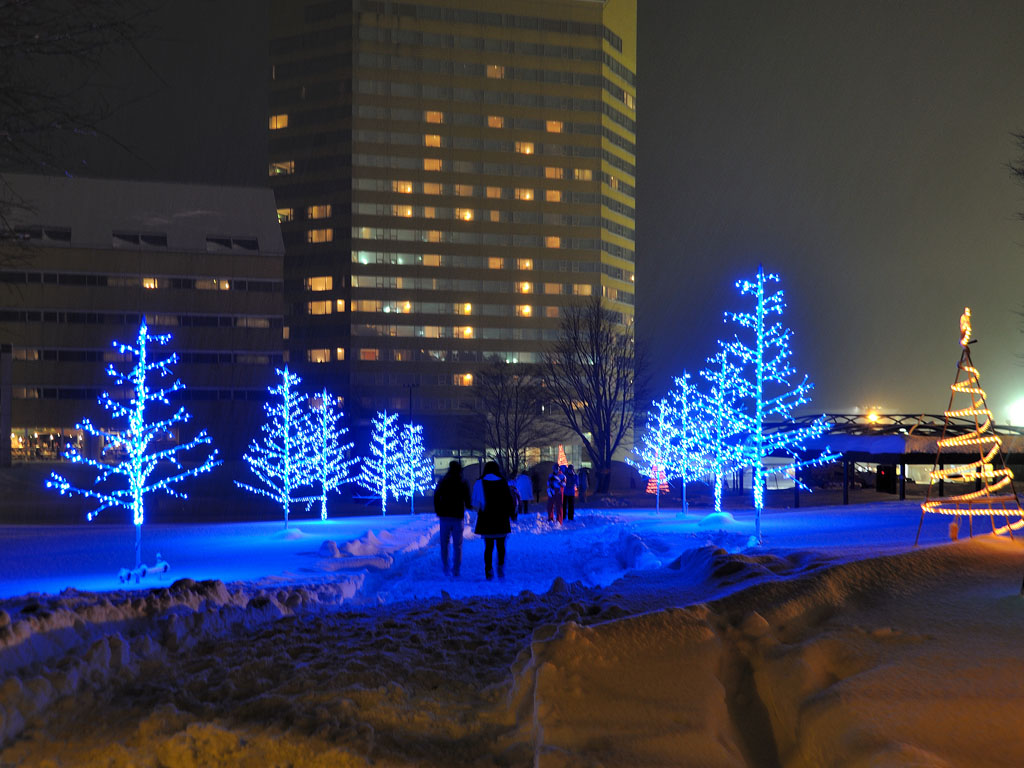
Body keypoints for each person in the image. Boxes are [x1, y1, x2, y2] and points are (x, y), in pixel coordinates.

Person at [472, 460, 515, 580]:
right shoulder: (503, 482)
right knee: (501, 546)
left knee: (488, 547)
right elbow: (509, 501)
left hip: (486, 519)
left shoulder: (480, 482)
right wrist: (512, 514)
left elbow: (476, 503)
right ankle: (500, 566)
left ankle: (488, 569)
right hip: (501, 519)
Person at [433, 460, 471, 578]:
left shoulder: (443, 481)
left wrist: (438, 510)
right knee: (457, 545)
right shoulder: (462, 482)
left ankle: (445, 567)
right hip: (457, 517)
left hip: (444, 516)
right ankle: (456, 569)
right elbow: (467, 500)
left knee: (444, 543)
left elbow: (436, 497)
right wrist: (469, 505)